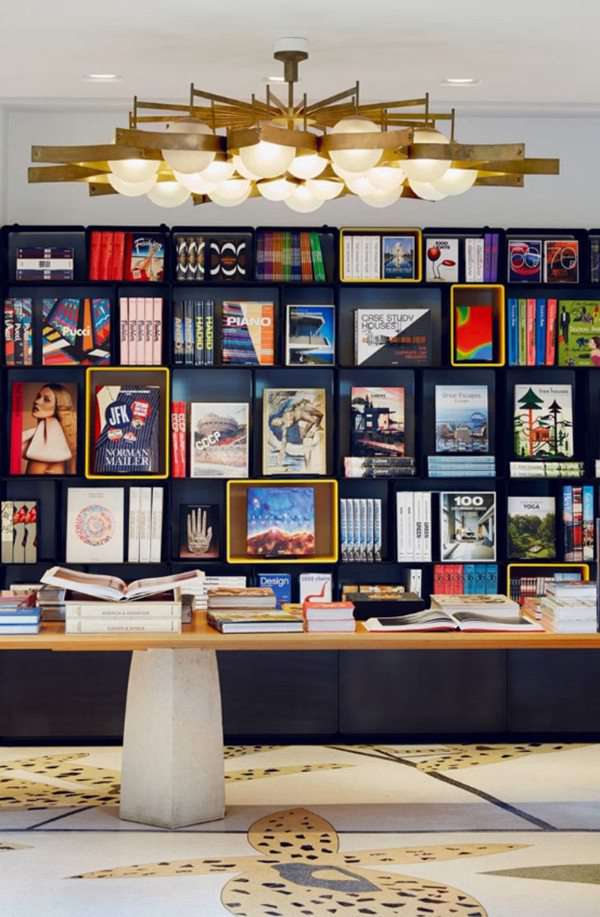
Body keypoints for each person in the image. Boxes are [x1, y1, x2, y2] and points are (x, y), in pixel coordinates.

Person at [23, 384, 76, 474]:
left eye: (46, 399)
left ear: (59, 406)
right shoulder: (42, 435)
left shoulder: (48, 449)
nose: (36, 401)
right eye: (38, 397)